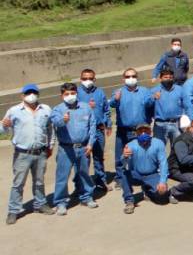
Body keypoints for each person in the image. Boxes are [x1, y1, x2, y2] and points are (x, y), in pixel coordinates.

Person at [2, 84, 54, 225]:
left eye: (34, 92)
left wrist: (51, 145)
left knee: (39, 181)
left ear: (38, 94)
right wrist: (4, 125)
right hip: (22, 154)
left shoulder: (45, 109)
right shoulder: (14, 111)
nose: (31, 95)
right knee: (18, 183)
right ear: (22, 95)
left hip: (41, 152)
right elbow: (3, 131)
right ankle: (13, 210)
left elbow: (50, 129)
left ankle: (40, 204)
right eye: (28, 93)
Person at [51, 83, 97, 215]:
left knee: (84, 173)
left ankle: (86, 197)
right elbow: (55, 123)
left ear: (77, 93)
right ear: (62, 96)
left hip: (83, 147)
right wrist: (63, 120)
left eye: (72, 93)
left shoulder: (86, 107)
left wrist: (90, 144)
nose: (70, 96)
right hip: (66, 149)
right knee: (62, 176)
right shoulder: (58, 110)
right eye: (66, 94)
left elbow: (92, 126)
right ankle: (61, 202)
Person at [110, 68, 153, 191]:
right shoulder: (118, 92)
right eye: (128, 76)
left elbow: (150, 105)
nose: (131, 79)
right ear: (123, 79)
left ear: (137, 77)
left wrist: (152, 99)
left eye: (133, 76)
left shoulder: (144, 91)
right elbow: (112, 104)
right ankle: (119, 179)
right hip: (124, 129)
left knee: (142, 154)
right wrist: (116, 99)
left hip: (141, 130)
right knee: (120, 156)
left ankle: (139, 177)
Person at [119, 124, 171, 214]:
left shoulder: (158, 143)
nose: (143, 133)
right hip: (137, 174)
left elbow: (163, 163)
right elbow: (123, 164)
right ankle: (129, 201)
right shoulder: (130, 145)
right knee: (124, 173)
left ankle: (148, 191)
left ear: (151, 132)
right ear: (136, 133)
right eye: (140, 131)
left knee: (162, 198)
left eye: (146, 131)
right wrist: (124, 156)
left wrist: (162, 181)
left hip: (152, 174)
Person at [76, 68, 111, 190]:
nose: (88, 80)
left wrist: (109, 124)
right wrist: (86, 107)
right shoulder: (76, 93)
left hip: (99, 130)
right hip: (84, 131)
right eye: (85, 78)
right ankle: (81, 186)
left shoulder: (100, 92)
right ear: (80, 79)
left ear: (94, 79)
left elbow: (106, 110)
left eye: (90, 78)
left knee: (99, 157)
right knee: (83, 160)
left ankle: (101, 180)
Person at [151, 68, 193, 146]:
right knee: (158, 148)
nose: (168, 79)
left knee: (178, 147)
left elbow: (188, 106)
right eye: (165, 77)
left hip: (176, 124)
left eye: (170, 77)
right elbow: (148, 105)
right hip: (160, 125)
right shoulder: (153, 91)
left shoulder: (180, 90)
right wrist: (153, 98)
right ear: (160, 78)